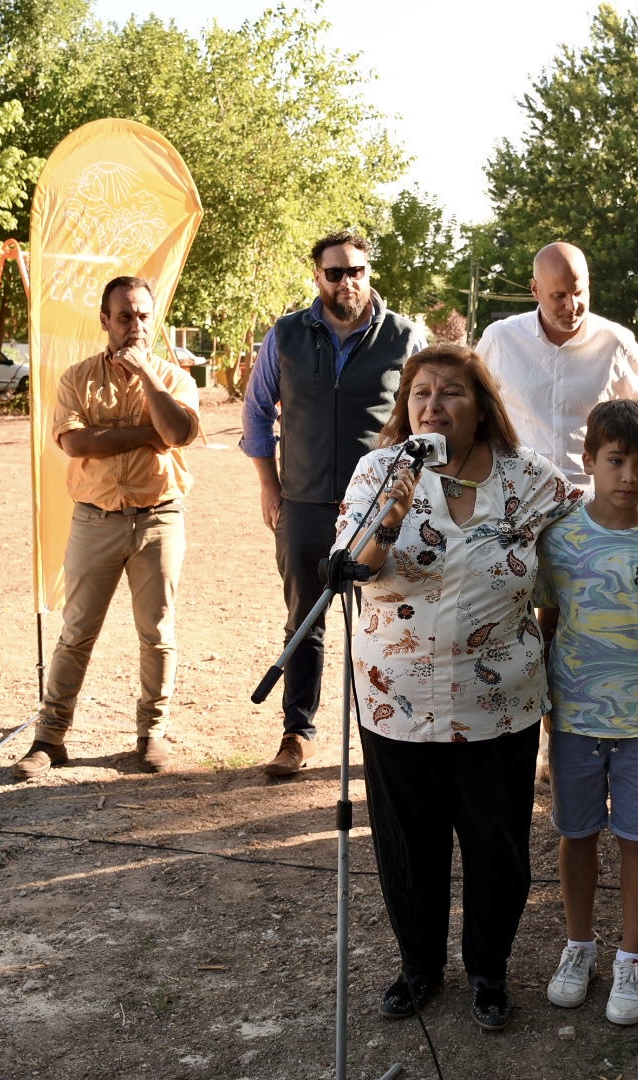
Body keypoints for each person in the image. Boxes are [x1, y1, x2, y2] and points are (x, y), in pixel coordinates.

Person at [338, 344, 638, 1033]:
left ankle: (487, 973)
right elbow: (353, 567)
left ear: (482, 408)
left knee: (495, 842)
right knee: (408, 843)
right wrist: (392, 511)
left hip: (498, 701)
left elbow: (608, 515)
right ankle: (419, 967)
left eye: (450, 394)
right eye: (420, 394)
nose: (432, 406)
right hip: (396, 696)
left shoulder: (526, 479)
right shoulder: (379, 471)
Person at [241, 230, 425, 778]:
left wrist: (413, 493)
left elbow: (430, 416)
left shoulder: (406, 337)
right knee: (304, 620)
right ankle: (298, 735)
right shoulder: (286, 334)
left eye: (357, 271)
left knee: (390, 621)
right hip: (304, 502)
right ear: (317, 276)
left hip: (381, 510)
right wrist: (269, 487)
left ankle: (390, 736)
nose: (348, 282)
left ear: (370, 273)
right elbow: (256, 413)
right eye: (336, 272)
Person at [537, 400, 638, 1026]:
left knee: (637, 838)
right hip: (573, 713)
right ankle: (579, 947)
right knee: (575, 834)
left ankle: (631, 956)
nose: (629, 476)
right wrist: (550, 705)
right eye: (616, 461)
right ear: (590, 461)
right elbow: (548, 621)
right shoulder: (560, 536)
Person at [12, 277, 200, 781]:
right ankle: (50, 738)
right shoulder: (77, 378)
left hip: (159, 518)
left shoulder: (174, 378)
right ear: (105, 321)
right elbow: (75, 445)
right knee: (76, 632)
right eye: (124, 316)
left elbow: (179, 433)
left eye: (143, 316)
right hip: (94, 520)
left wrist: (149, 384)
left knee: (157, 633)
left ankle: (151, 734)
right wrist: (147, 435)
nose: (135, 326)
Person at [476, 241, 638, 487]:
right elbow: (472, 410)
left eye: (578, 293)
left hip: (592, 499)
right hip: (514, 494)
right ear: (535, 290)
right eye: (559, 296)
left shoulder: (617, 342)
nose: (571, 306)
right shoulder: (500, 339)